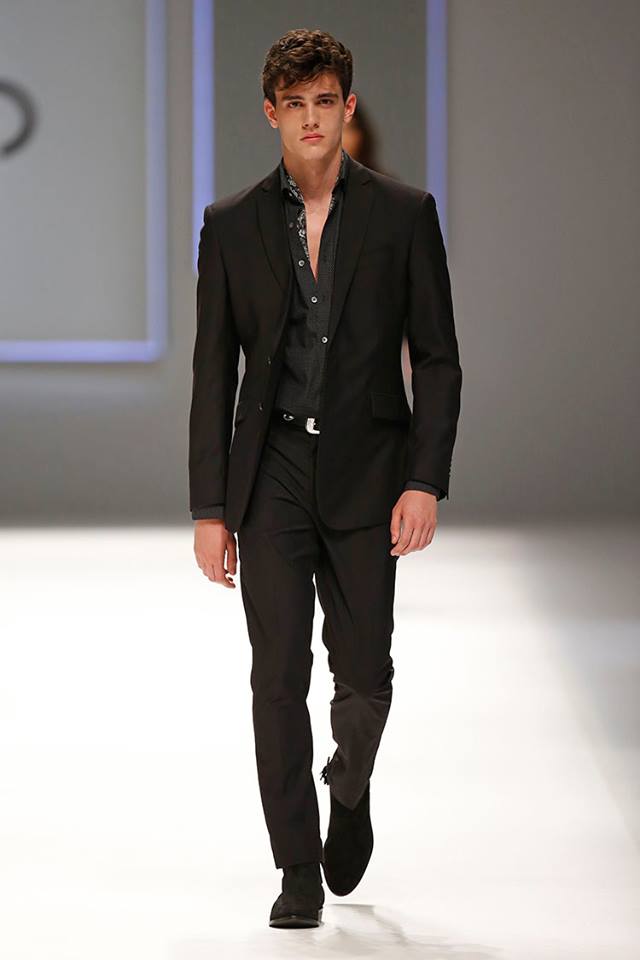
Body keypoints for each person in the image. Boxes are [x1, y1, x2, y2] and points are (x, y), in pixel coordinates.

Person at [188, 27, 462, 929]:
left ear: (348, 107)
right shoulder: (231, 226)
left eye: (325, 102)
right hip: (270, 471)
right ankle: (297, 869)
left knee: (366, 672)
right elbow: (213, 373)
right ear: (271, 113)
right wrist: (210, 507)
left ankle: (348, 784)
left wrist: (424, 479)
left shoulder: (404, 214)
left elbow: (438, 359)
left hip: (371, 470)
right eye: (295, 105)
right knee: (276, 674)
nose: (311, 120)